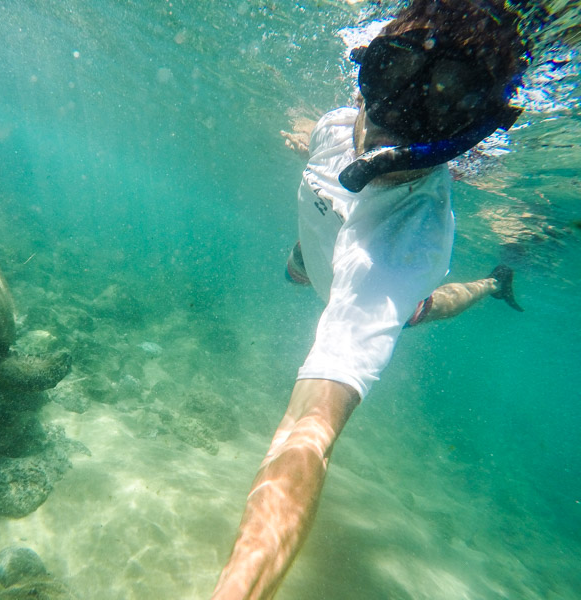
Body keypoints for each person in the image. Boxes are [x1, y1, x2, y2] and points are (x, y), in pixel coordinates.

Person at [211, 1, 530, 598]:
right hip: (322, 253)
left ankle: (491, 284)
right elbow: (325, 144)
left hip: (378, 288)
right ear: (366, 75)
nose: (397, 115)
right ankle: (307, 260)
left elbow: (308, 428)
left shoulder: (402, 252)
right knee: (301, 266)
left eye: (445, 99)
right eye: (390, 73)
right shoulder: (340, 123)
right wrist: (301, 142)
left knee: (422, 307)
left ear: (477, 124)